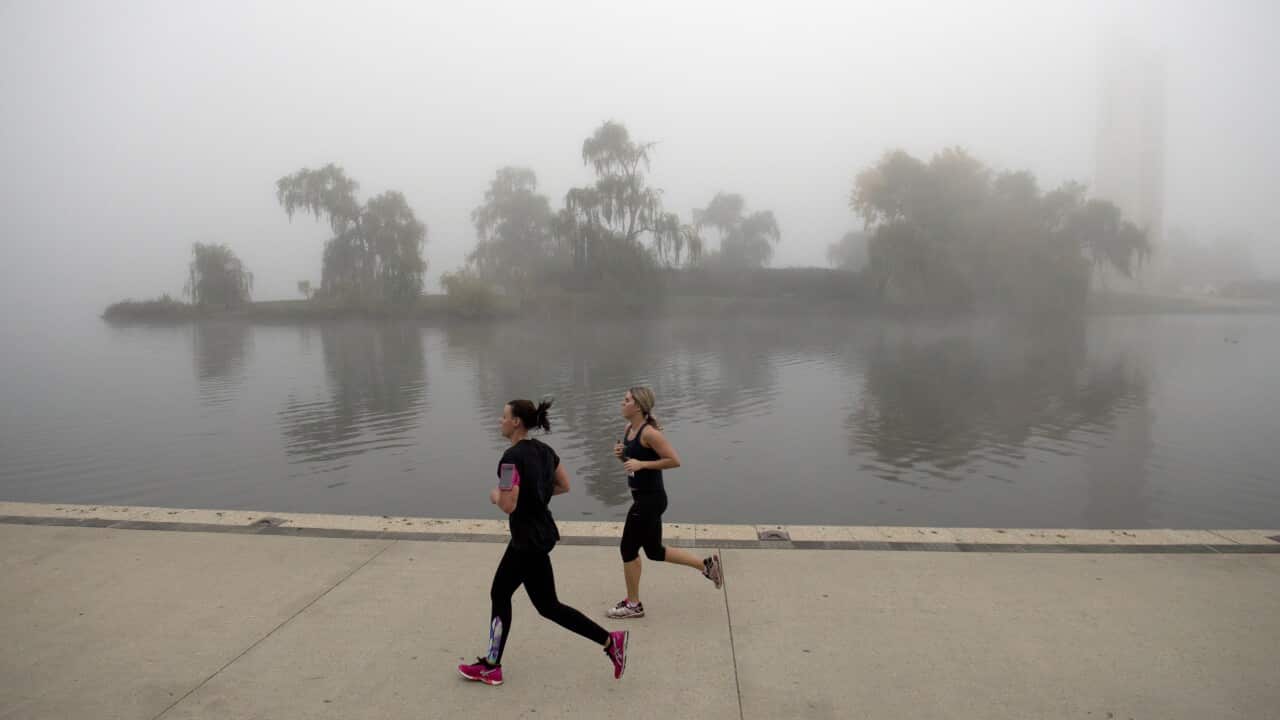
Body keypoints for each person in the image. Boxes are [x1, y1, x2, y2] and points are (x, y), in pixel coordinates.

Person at [458, 398, 629, 686]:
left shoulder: (510, 458)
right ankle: (611, 641)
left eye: (503, 417)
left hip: (526, 540)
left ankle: (491, 665)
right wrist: (534, 493)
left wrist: (494, 495)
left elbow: (508, 505)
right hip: (543, 534)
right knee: (548, 606)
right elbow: (563, 485)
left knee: (500, 594)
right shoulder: (545, 451)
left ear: (516, 422)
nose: (499, 421)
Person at [607, 386, 722, 619]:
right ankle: (706, 566)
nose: (622, 402)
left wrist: (642, 465)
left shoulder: (650, 433)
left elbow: (673, 460)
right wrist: (622, 456)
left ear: (638, 406)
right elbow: (633, 462)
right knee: (654, 551)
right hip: (642, 497)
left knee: (627, 549)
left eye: (626, 399)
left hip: (651, 500)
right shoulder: (629, 428)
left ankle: (633, 605)